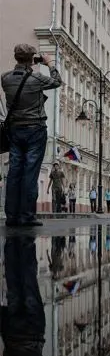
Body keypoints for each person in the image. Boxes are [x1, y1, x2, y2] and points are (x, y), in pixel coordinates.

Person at [1, 44, 62, 226]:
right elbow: (57, 81)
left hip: (14, 130)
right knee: (30, 172)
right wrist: (49, 63)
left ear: (16, 57)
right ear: (31, 59)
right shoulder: (36, 78)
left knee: (14, 171)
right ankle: (27, 215)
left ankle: (11, 216)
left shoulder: (5, 78)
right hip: (35, 129)